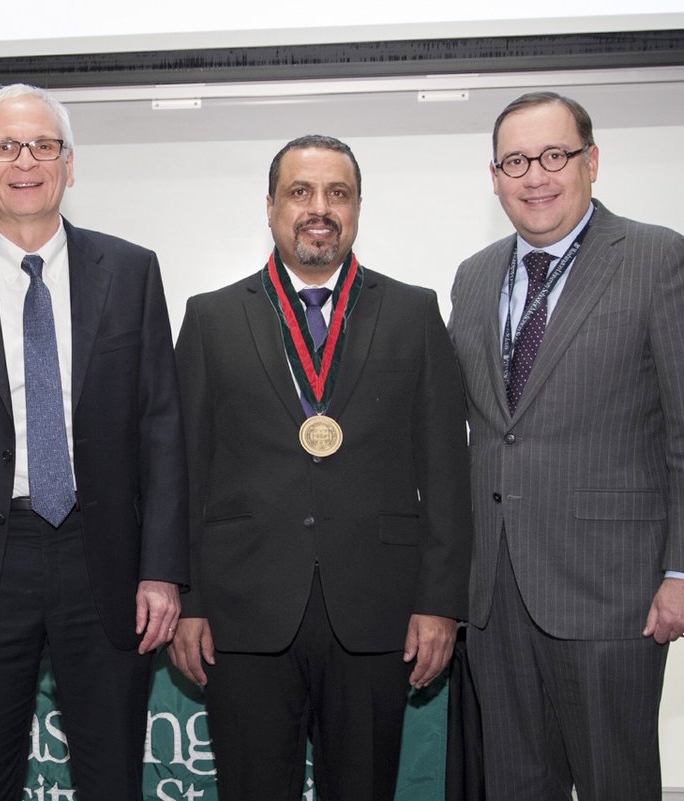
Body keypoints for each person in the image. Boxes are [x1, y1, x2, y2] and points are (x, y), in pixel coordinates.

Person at [0, 83, 189, 801]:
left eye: (43, 145)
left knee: (112, 775)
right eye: (5, 146)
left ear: (69, 164)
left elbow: (161, 429)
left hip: (106, 559)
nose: (25, 161)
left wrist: (162, 568)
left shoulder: (130, 270)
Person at [448, 91, 684, 800]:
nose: (535, 176)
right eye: (516, 161)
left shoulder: (659, 259)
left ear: (591, 161)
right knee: (514, 783)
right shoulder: (475, 276)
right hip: (495, 593)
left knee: (616, 782)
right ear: (494, 176)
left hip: (616, 592)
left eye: (554, 155)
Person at [169, 134, 472, 800]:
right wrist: (188, 600)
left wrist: (440, 604)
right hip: (244, 614)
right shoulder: (211, 318)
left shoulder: (414, 312)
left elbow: (448, 469)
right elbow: (184, 475)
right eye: (300, 191)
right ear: (272, 205)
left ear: (358, 207)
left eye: (338, 193)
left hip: (377, 610)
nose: (320, 208)